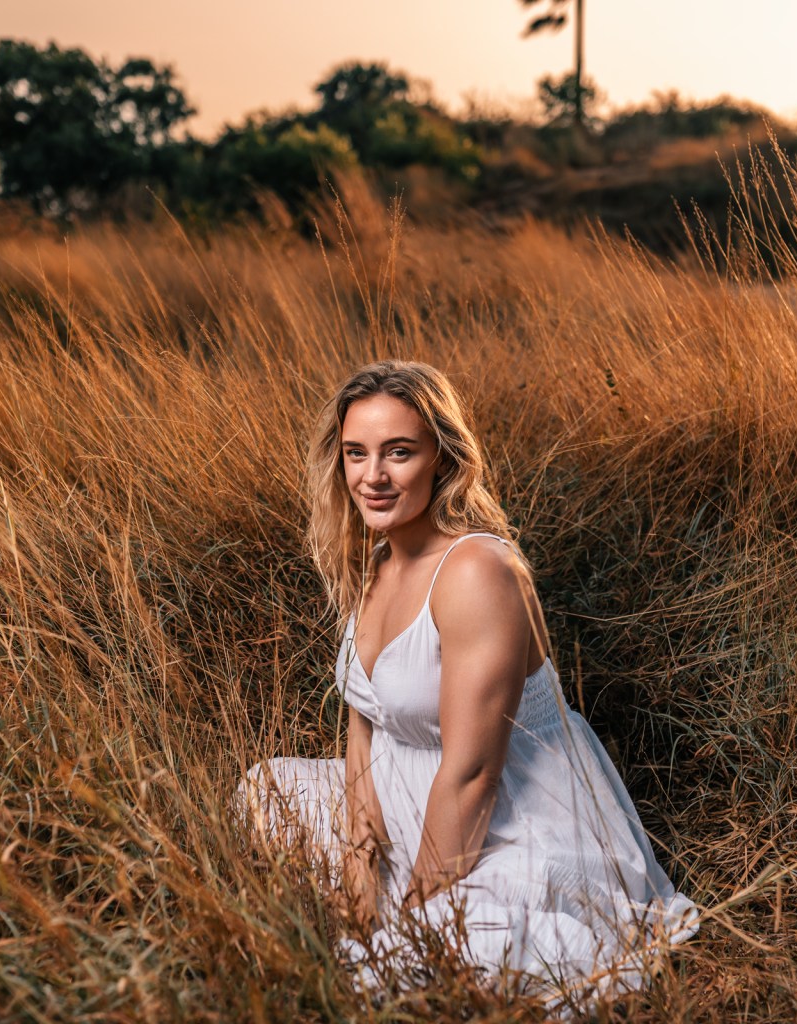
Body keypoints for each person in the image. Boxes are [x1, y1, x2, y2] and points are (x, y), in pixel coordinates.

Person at [234, 359, 698, 1010]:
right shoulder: (374, 559)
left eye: (399, 452)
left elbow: (473, 774)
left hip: (510, 824)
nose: (373, 476)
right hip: (410, 806)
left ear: (443, 459)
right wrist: (360, 872)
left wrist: (409, 921)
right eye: (356, 453)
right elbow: (362, 732)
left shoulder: (478, 571)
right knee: (263, 793)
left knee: (423, 957)